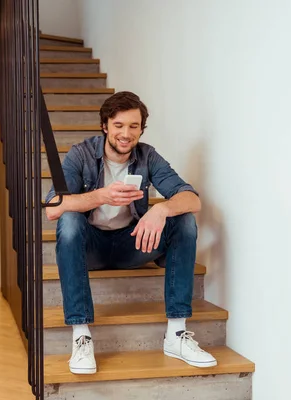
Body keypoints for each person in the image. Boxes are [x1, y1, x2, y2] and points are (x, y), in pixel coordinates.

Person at [44, 91, 217, 374]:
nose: (126, 134)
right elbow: (53, 207)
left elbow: (192, 199)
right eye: (119, 125)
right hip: (92, 248)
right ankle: (81, 335)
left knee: (184, 220)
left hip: (131, 244)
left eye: (133, 126)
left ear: (141, 129)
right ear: (105, 126)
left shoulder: (147, 155)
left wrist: (160, 210)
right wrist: (101, 196)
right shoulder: (81, 153)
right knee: (70, 221)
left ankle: (176, 334)